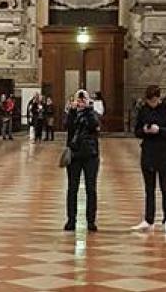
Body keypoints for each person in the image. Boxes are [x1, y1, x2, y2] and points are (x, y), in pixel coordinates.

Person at [132, 85, 166, 234]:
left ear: (158, 98)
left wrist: (160, 130)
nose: (151, 103)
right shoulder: (143, 110)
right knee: (149, 189)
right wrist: (145, 131)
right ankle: (148, 219)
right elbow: (137, 131)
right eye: (149, 101)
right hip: (148, 153)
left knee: (165, 188)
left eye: (154, 100)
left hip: (164, 154)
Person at [64, 90, 101, 232]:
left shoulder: (93, 113)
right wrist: (73, 111)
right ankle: (71, 220)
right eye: (78, 100)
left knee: (91, 189)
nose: (80, 102)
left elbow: (95, 125)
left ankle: (90, 220)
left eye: (83, 99)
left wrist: (88, 109)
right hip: (74, 155)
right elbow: (67, 125)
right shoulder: (71, 113)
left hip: (91, 155)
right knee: (72, 188)